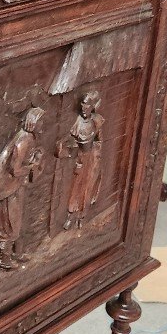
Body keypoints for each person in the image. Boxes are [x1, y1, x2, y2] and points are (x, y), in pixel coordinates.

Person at [0, 106, 45, 271]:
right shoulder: (24, 141)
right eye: (40, 121)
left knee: (16, 219)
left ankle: (15, 253)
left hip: (17, 186)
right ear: (33, 123)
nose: (42, 125)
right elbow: (15, 169)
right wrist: (33, 166)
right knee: (8, 222)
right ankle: (3, 259)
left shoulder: (31, 139)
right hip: (9, 187)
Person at [57, 89, 104, 230]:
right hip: (80, 159)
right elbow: (70, 141)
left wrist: (96, 156)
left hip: (92, 159)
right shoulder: (78, 122)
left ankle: (82, 216)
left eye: (87, 106)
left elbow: (99, 140)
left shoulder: (97, 121)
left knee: (88, 187)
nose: (84, 109)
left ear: (93, 107)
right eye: (82, 105)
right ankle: (70, 216)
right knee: (76, 188)